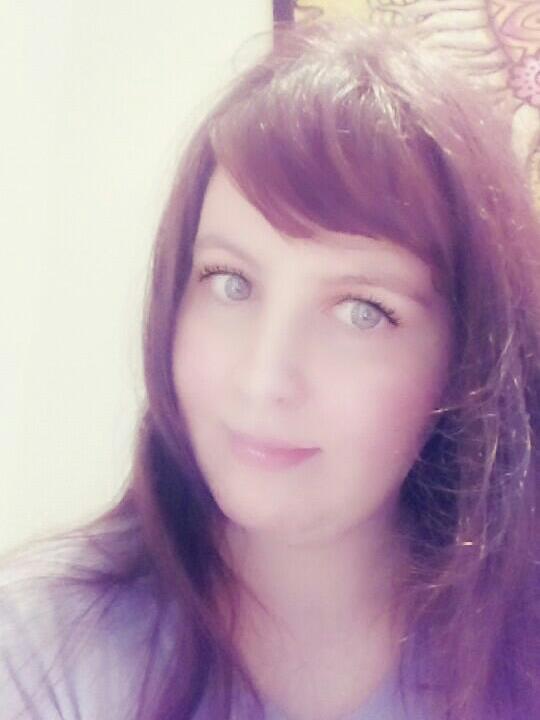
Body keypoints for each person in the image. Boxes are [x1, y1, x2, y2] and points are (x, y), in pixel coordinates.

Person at [1, 17, 539, 720]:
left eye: (361, 311)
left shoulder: (517, 649)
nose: (264, 378)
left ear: (466, 357)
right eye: (230, 283)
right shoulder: (42, 648)